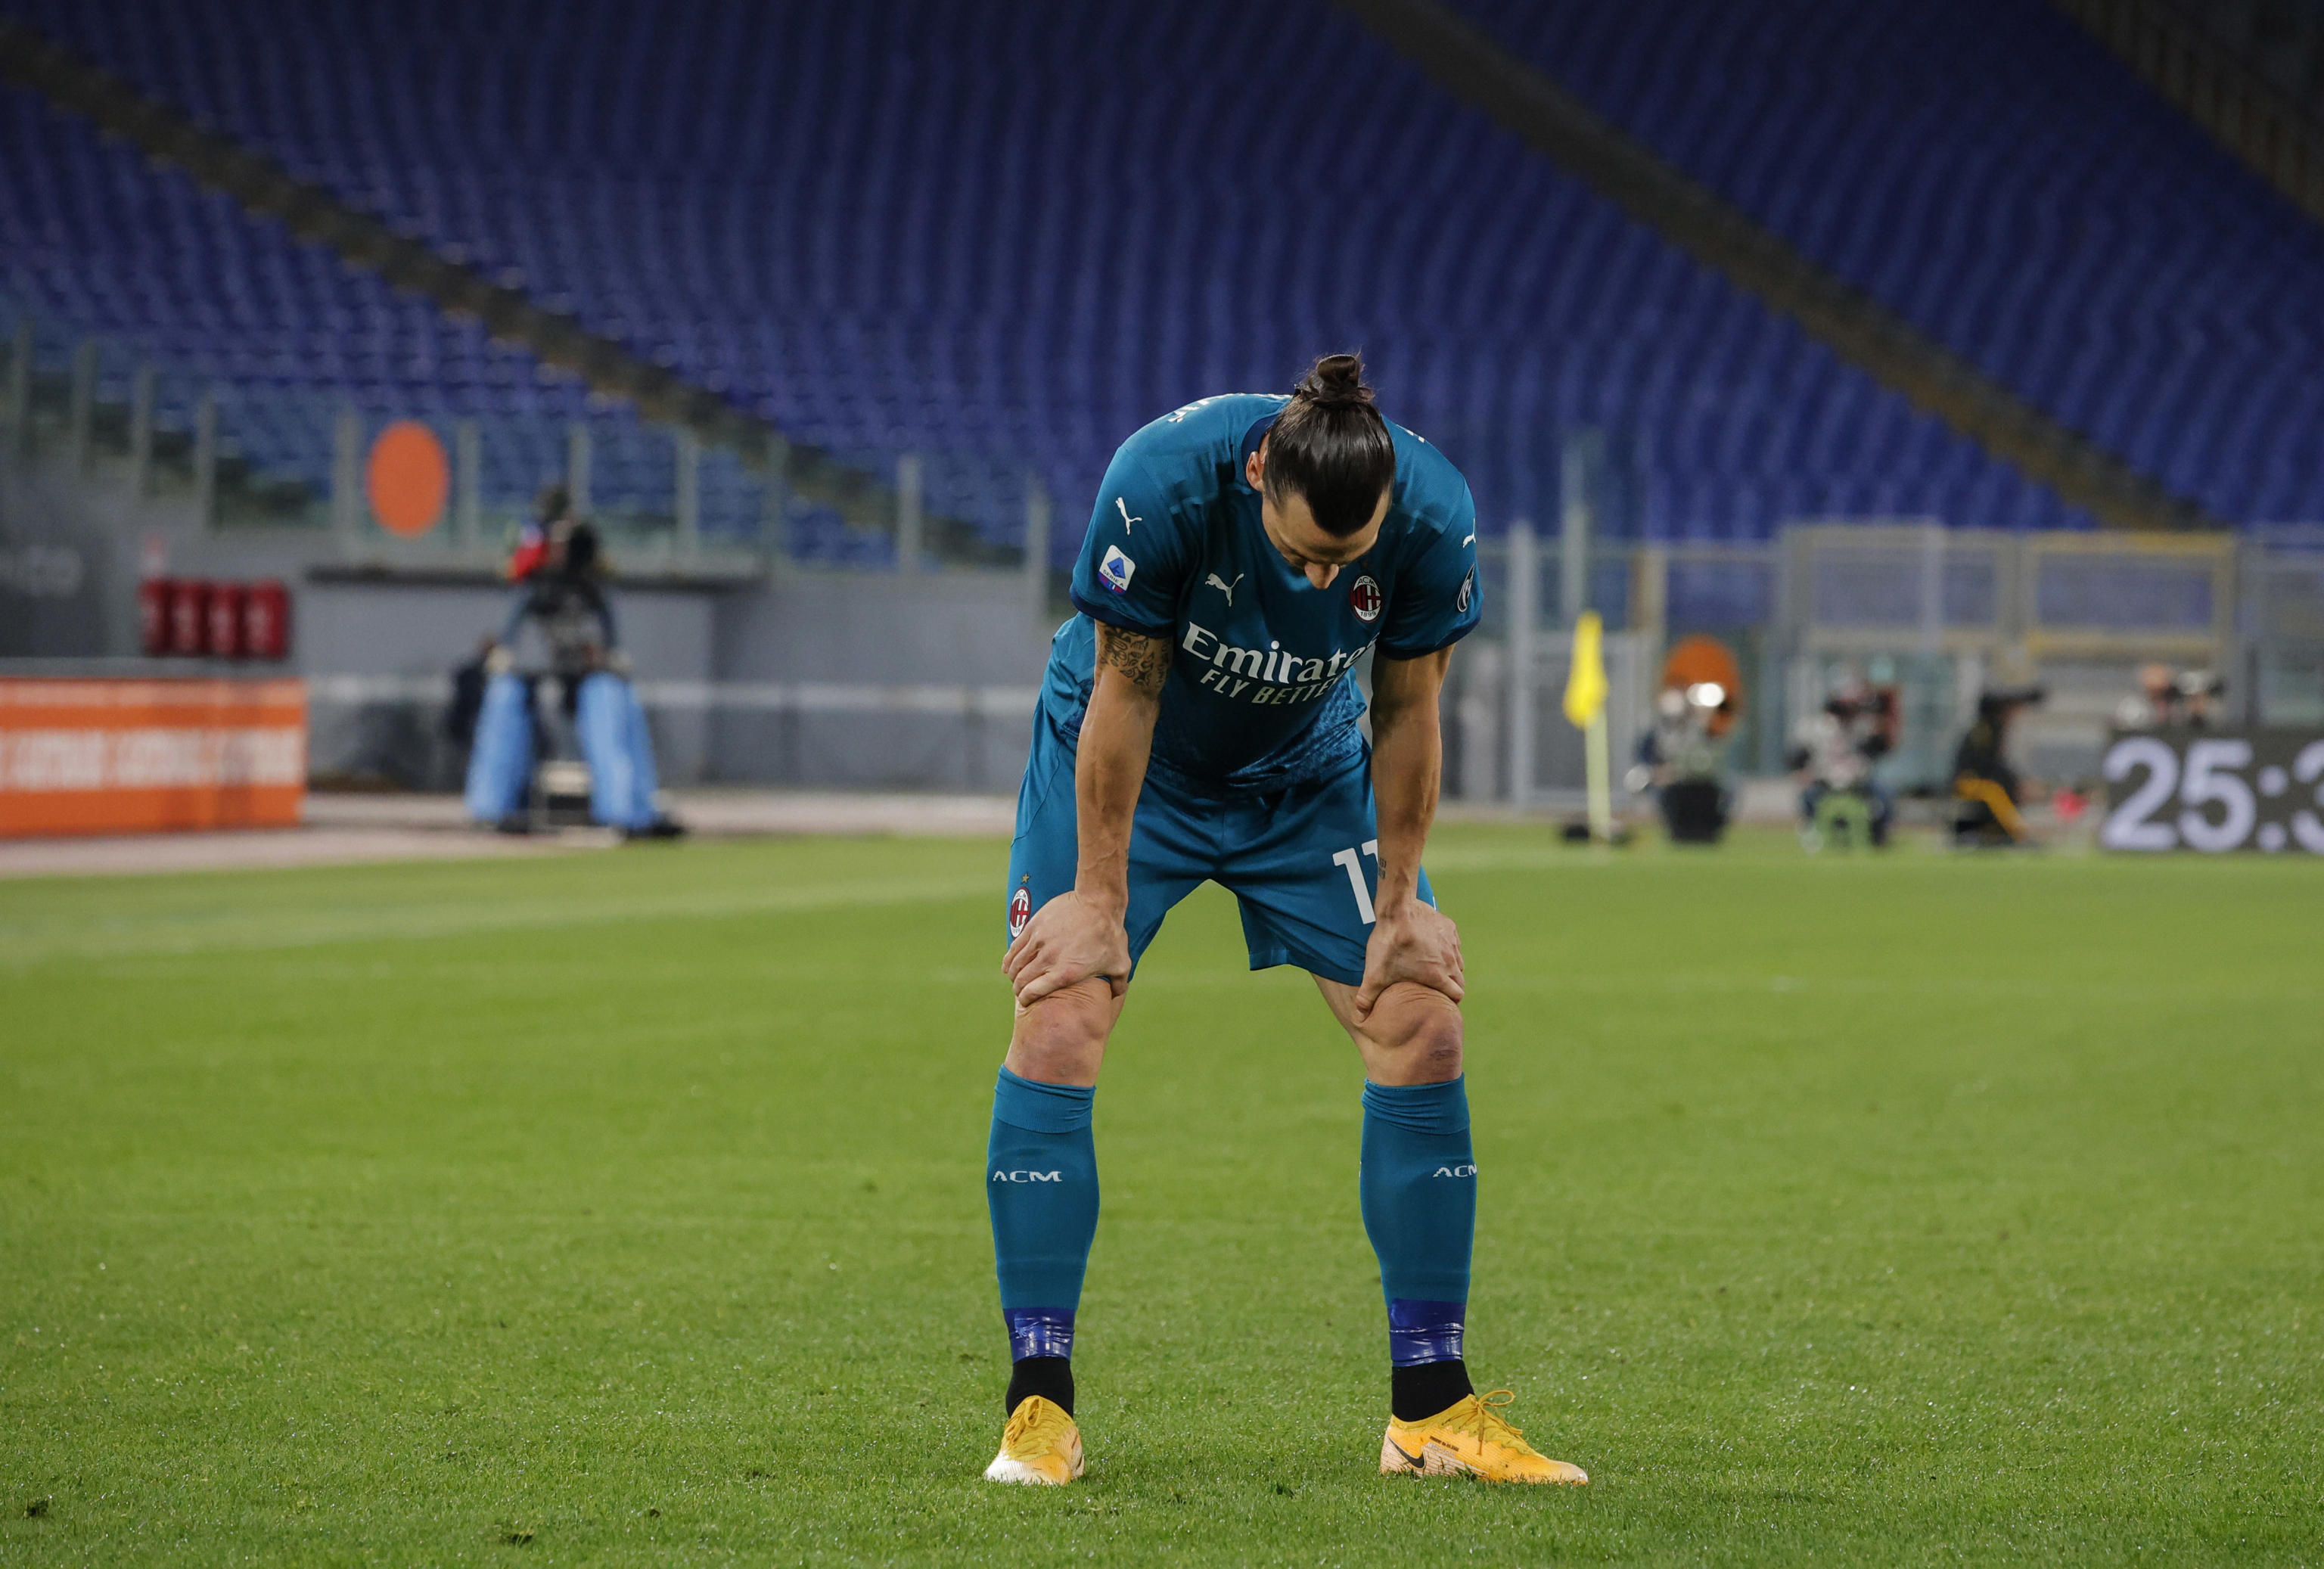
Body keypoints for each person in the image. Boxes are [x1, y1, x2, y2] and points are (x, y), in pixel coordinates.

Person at [982, 355, 1586, 1488]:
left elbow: (1407, 710)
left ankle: (1430, 1409)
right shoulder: (1161, 483)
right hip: (1130, 766)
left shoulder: (1434, 516)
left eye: (1342, 563)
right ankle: (1038, 1409)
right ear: (1259, 471)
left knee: (1422, 1021)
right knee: (1060, 1014)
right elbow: (1127, 688)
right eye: (1301, 552)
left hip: (1305, 774)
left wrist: (1403, 903)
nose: (1319, 580)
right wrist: (1099, 899)